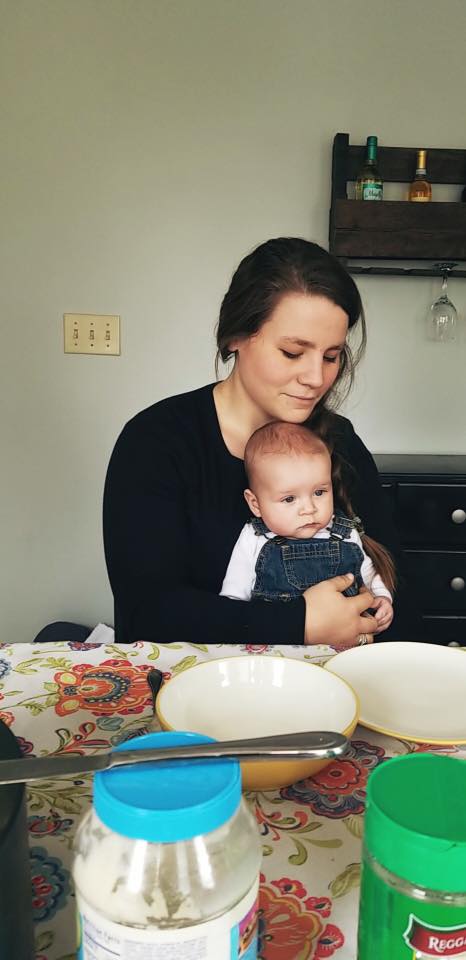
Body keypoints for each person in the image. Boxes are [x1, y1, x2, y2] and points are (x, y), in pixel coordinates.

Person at [103, 236, 418, 647]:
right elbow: (147, 613)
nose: (316, 378)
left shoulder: (341, 442)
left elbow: (398, 589)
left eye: (331, 356)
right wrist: (299, 623)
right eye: (292, 352)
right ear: (235, 336)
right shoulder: (156, 442)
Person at [220, 421, 395, 638]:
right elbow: (234, 596)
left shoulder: (344, 532)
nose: (309, 508)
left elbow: (367, 572)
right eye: (289, 499)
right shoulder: (254, 537)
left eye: (319, 492)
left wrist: (382, 597)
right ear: (255, 504)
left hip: (344, 643)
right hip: (276, 645)